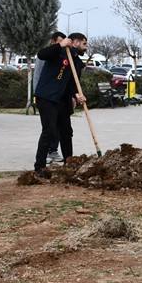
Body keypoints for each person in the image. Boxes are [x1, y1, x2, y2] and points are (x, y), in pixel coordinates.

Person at [33, 32, 87, 177]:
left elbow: (71, 82)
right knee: (49, 131)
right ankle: (40, 167)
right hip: (47, 98)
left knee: (66, 132)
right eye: (84, 44)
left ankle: (69, 163)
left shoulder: (75, 61)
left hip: (62, 100)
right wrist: (60, 44)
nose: (85, 47)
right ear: (75, 42)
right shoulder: (58, 52)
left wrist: (76, 94)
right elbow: (41, 54)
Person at [33, 31, 65, 165]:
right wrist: (36, 93)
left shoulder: (61, 55)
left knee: (56, 126)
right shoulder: (45, 55)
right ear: (53, 41)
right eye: (59, 42)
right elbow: (37, 75)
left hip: (55, 97)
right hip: (43, 95)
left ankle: (53, 150)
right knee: (48, 127)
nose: (61, 44)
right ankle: (45, 153)